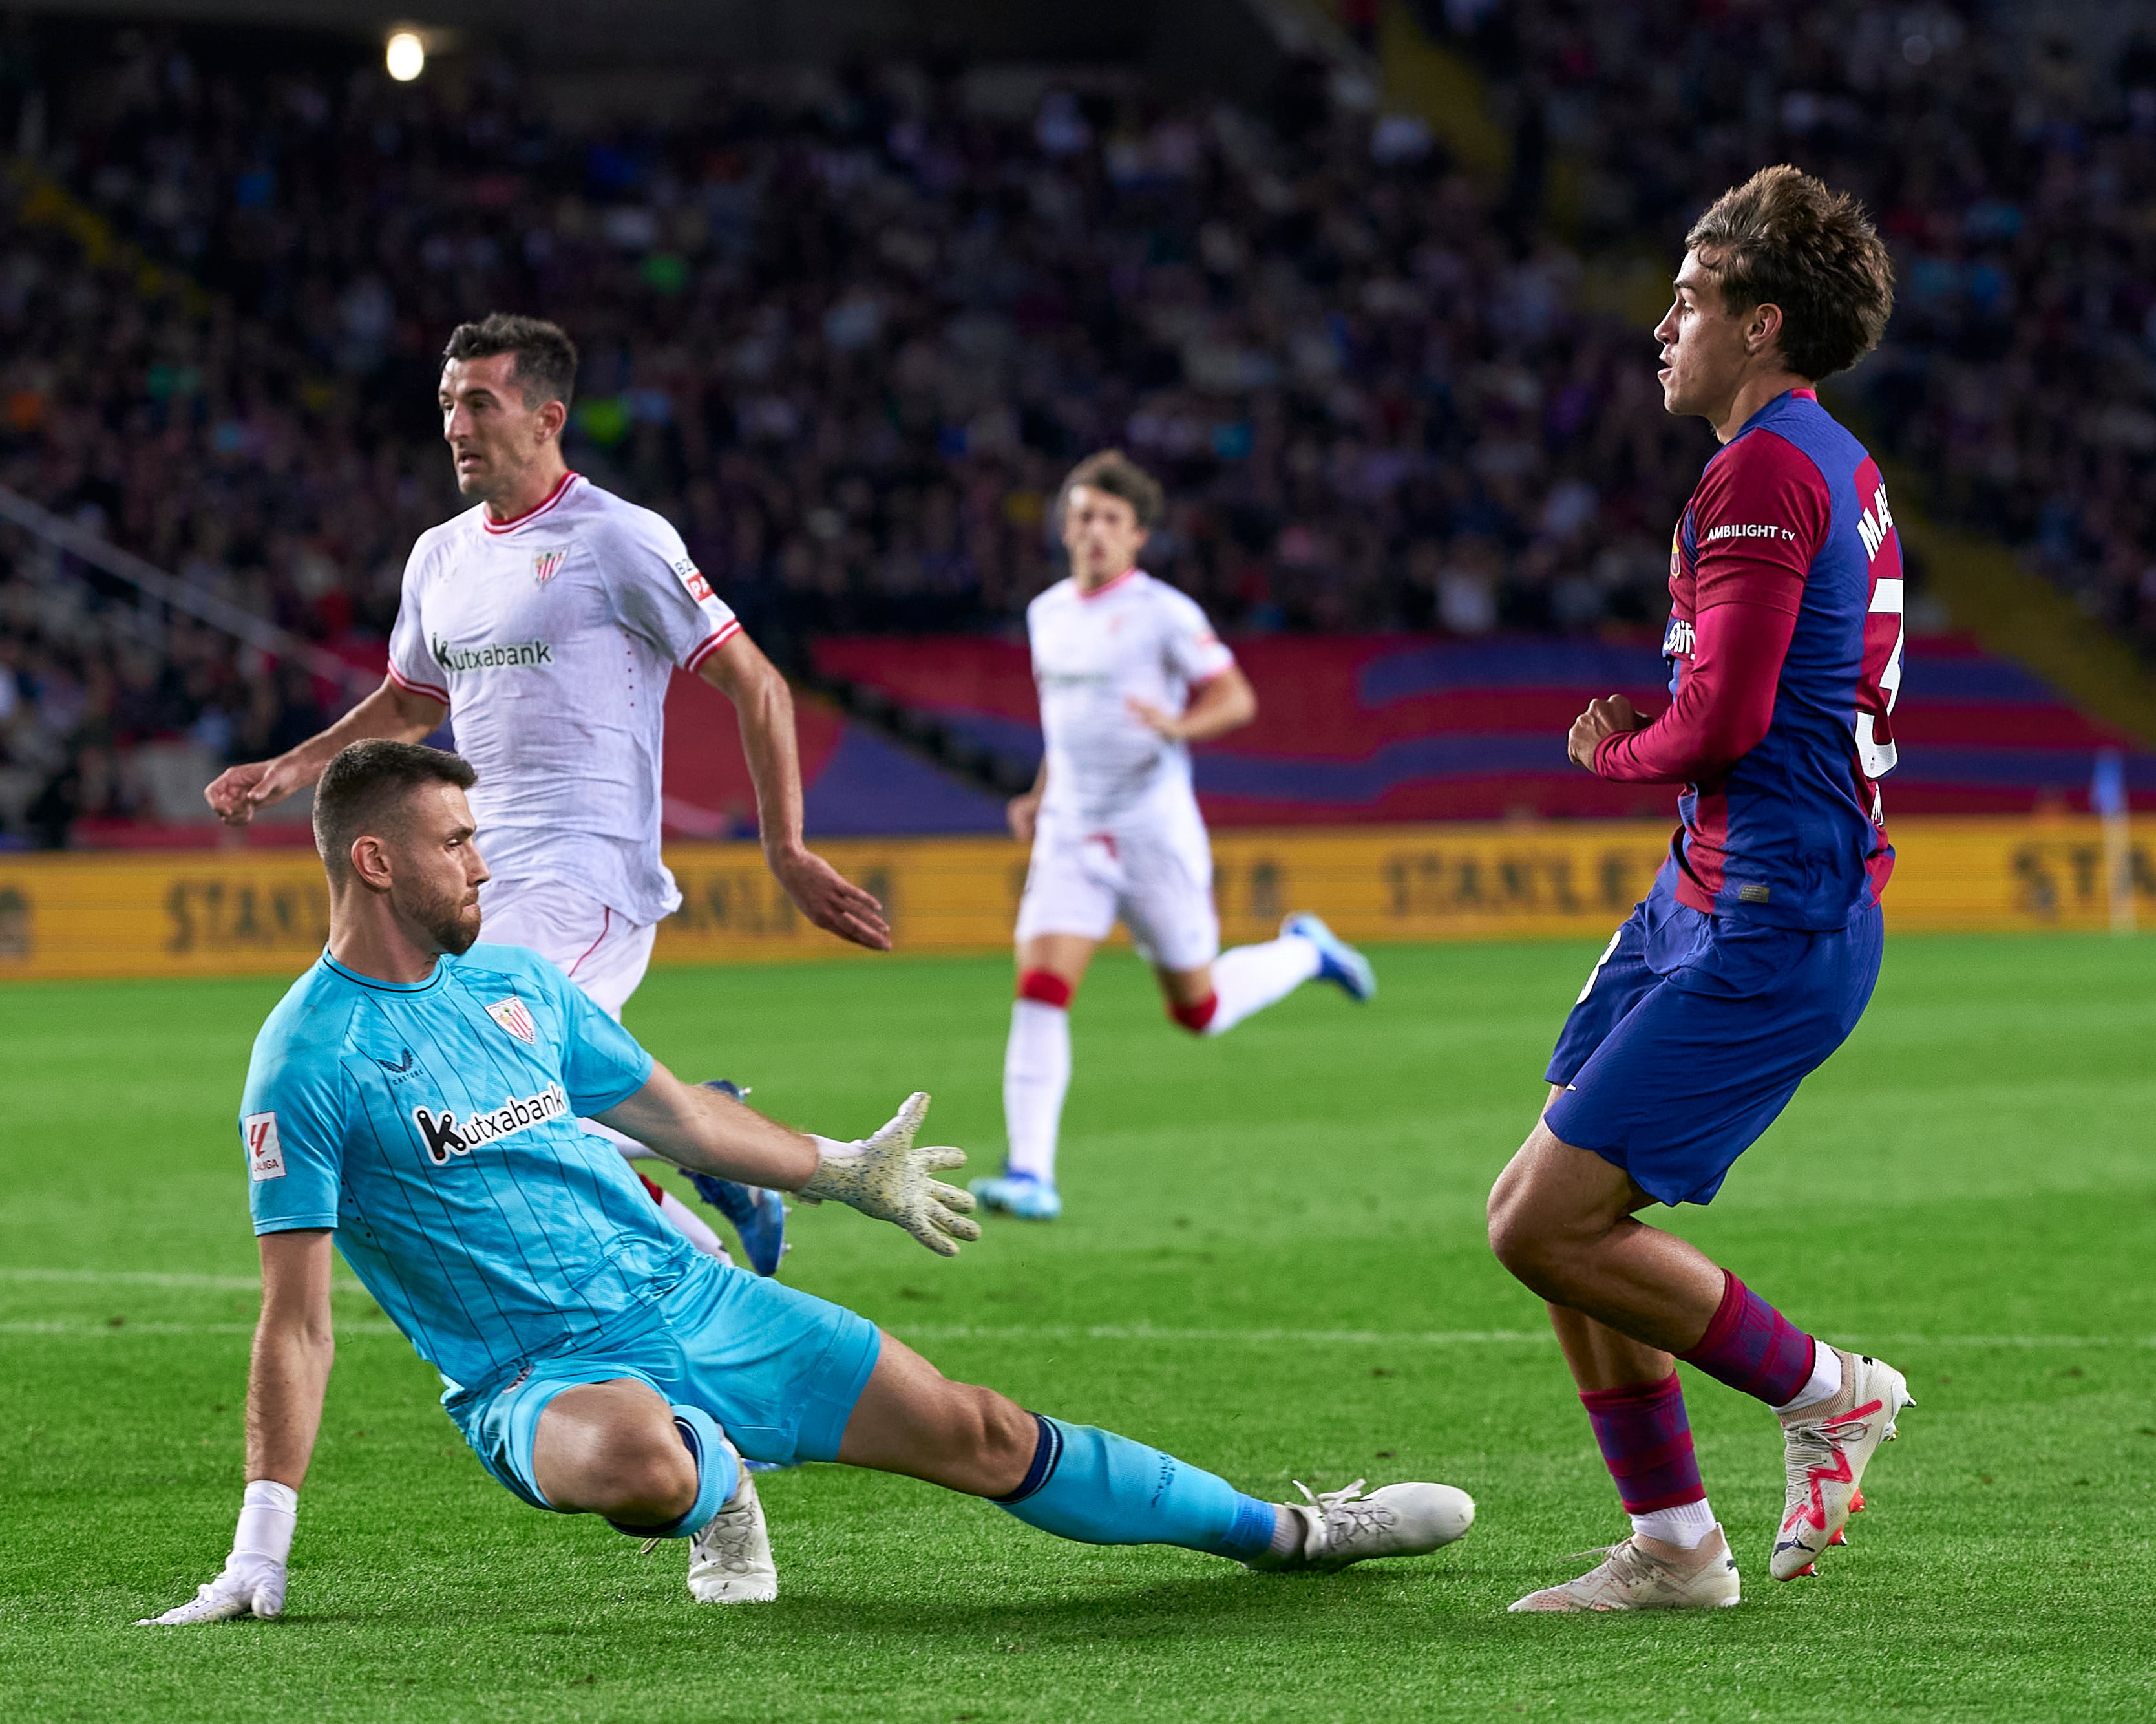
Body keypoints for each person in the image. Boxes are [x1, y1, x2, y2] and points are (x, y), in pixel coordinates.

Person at [139, 741, 1475, 1624]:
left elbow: (681, 1122)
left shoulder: (515, 986)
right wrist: (262, 1543)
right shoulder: (303, 1061)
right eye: (453, 842)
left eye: (478, 837)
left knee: (983, 1431)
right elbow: (296, 1319)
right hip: (532, 1378)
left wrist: (844, 1168)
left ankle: (1294, 1531)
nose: (480, 861)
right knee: (640, 1460)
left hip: (690, 1297)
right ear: (374, 861)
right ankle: (715, 1479)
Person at [206, 313, 885, 1277]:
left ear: (545, 417)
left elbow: (757, 682)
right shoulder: (439, 556)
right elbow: (408, 703)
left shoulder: (618, 539)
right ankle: (710, 1145)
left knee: (489, 1087)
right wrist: (294, 766)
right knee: (478, 1092)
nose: (455, 425)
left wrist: (786, 848)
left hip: (588, 872)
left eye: (479, 402)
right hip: (475, 868)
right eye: (446, 403)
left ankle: (714, 1265)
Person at [1486, 165, 1911, 1613]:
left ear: (1761, 321)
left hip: (1769, 911)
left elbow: (1722, 722)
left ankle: (1828, 1390)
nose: (1660, 322)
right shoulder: (1822, 462)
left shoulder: (1766, 468)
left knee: (1537, 1224)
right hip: (1705, 894)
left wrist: (1620, 749)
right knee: (1552, 1219)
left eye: (1689, 297)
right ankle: (1673, 1544)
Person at [969, 452, 1376, 1222]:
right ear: (1064, 527)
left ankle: (1306, 952)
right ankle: (1029, 1171)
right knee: (1041, 986)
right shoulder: (1046, 613)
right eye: (1082, 516)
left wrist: (1178, 724)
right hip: (1071, 833)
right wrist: (1037, 795)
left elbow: (1235, 698)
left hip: (1152, 831)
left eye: (1109, 520)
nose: (1093, 532)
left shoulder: (1165, 613)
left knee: (1199, 1010)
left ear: (1137, 537)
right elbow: (1069, 727)